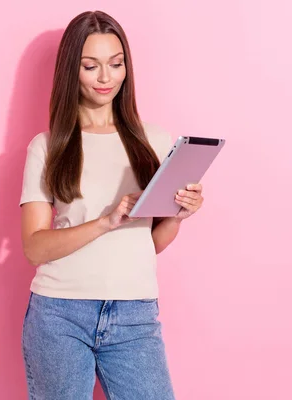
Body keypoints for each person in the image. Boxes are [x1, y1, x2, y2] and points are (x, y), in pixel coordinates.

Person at [19, 10, 204, 400]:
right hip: (60, 313)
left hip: (135, 315)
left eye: (116, 64)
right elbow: (35, 246)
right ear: (73, 70)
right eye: (91, 66)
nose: (107, 78)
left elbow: (149, 244)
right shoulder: (48, 147)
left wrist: (179, 215)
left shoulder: (153, 141)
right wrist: (105, 221)